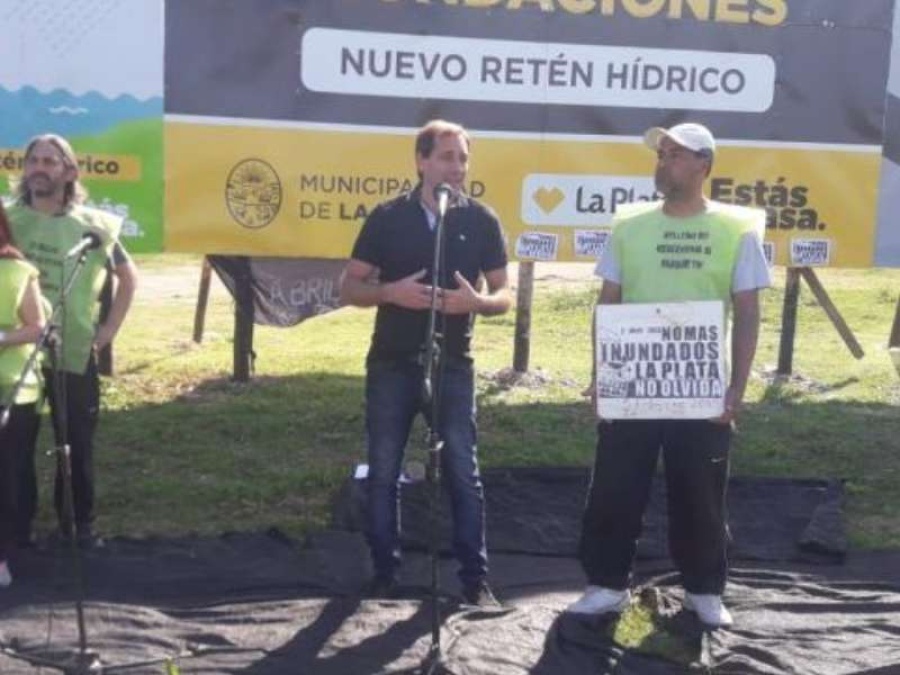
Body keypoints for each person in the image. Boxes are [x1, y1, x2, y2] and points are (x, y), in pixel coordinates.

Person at [568, 123, 771, 627]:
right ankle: (605, 585)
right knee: (614, 488)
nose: (664, 163)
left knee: (700, 493)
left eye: (675, 155)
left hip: (700, 390)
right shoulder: (629, 226)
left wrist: (736, 389)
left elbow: (747, 312)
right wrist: (600, 379)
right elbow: (607, 303)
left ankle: (704, 590)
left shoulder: (737, 228)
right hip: (631, 385)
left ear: (704, 165)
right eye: (661, 154)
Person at [339, 119, 511, 606]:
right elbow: (349, 287)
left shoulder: (481, 220)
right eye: (446, 157)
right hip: (391, 363)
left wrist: (477, 303)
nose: (456, 168)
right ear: (420, 161)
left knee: (462, 468)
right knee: (384, 467)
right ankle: (383, 575)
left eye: (463, 158)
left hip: (453, 364)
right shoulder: (387, 217)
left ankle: (474, 582)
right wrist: (391, 292)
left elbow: (504, 294)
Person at [6, 133, 138, 548]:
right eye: (33, 161)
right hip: (17, 355)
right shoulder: (7, 218)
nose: (40, 168)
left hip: (74, 350)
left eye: (50, 161)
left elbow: (129, 276)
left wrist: (109, 330)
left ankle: (77, 528)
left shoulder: (93, 227)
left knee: (75, 446)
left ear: (69, 171)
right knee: (13, 450)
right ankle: (15, 531)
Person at [0, 201, 46, 587]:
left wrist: (2, 337)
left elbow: (37, 328)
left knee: (7, 474)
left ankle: (7, 553)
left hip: (12, 388)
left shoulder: (17, 271)